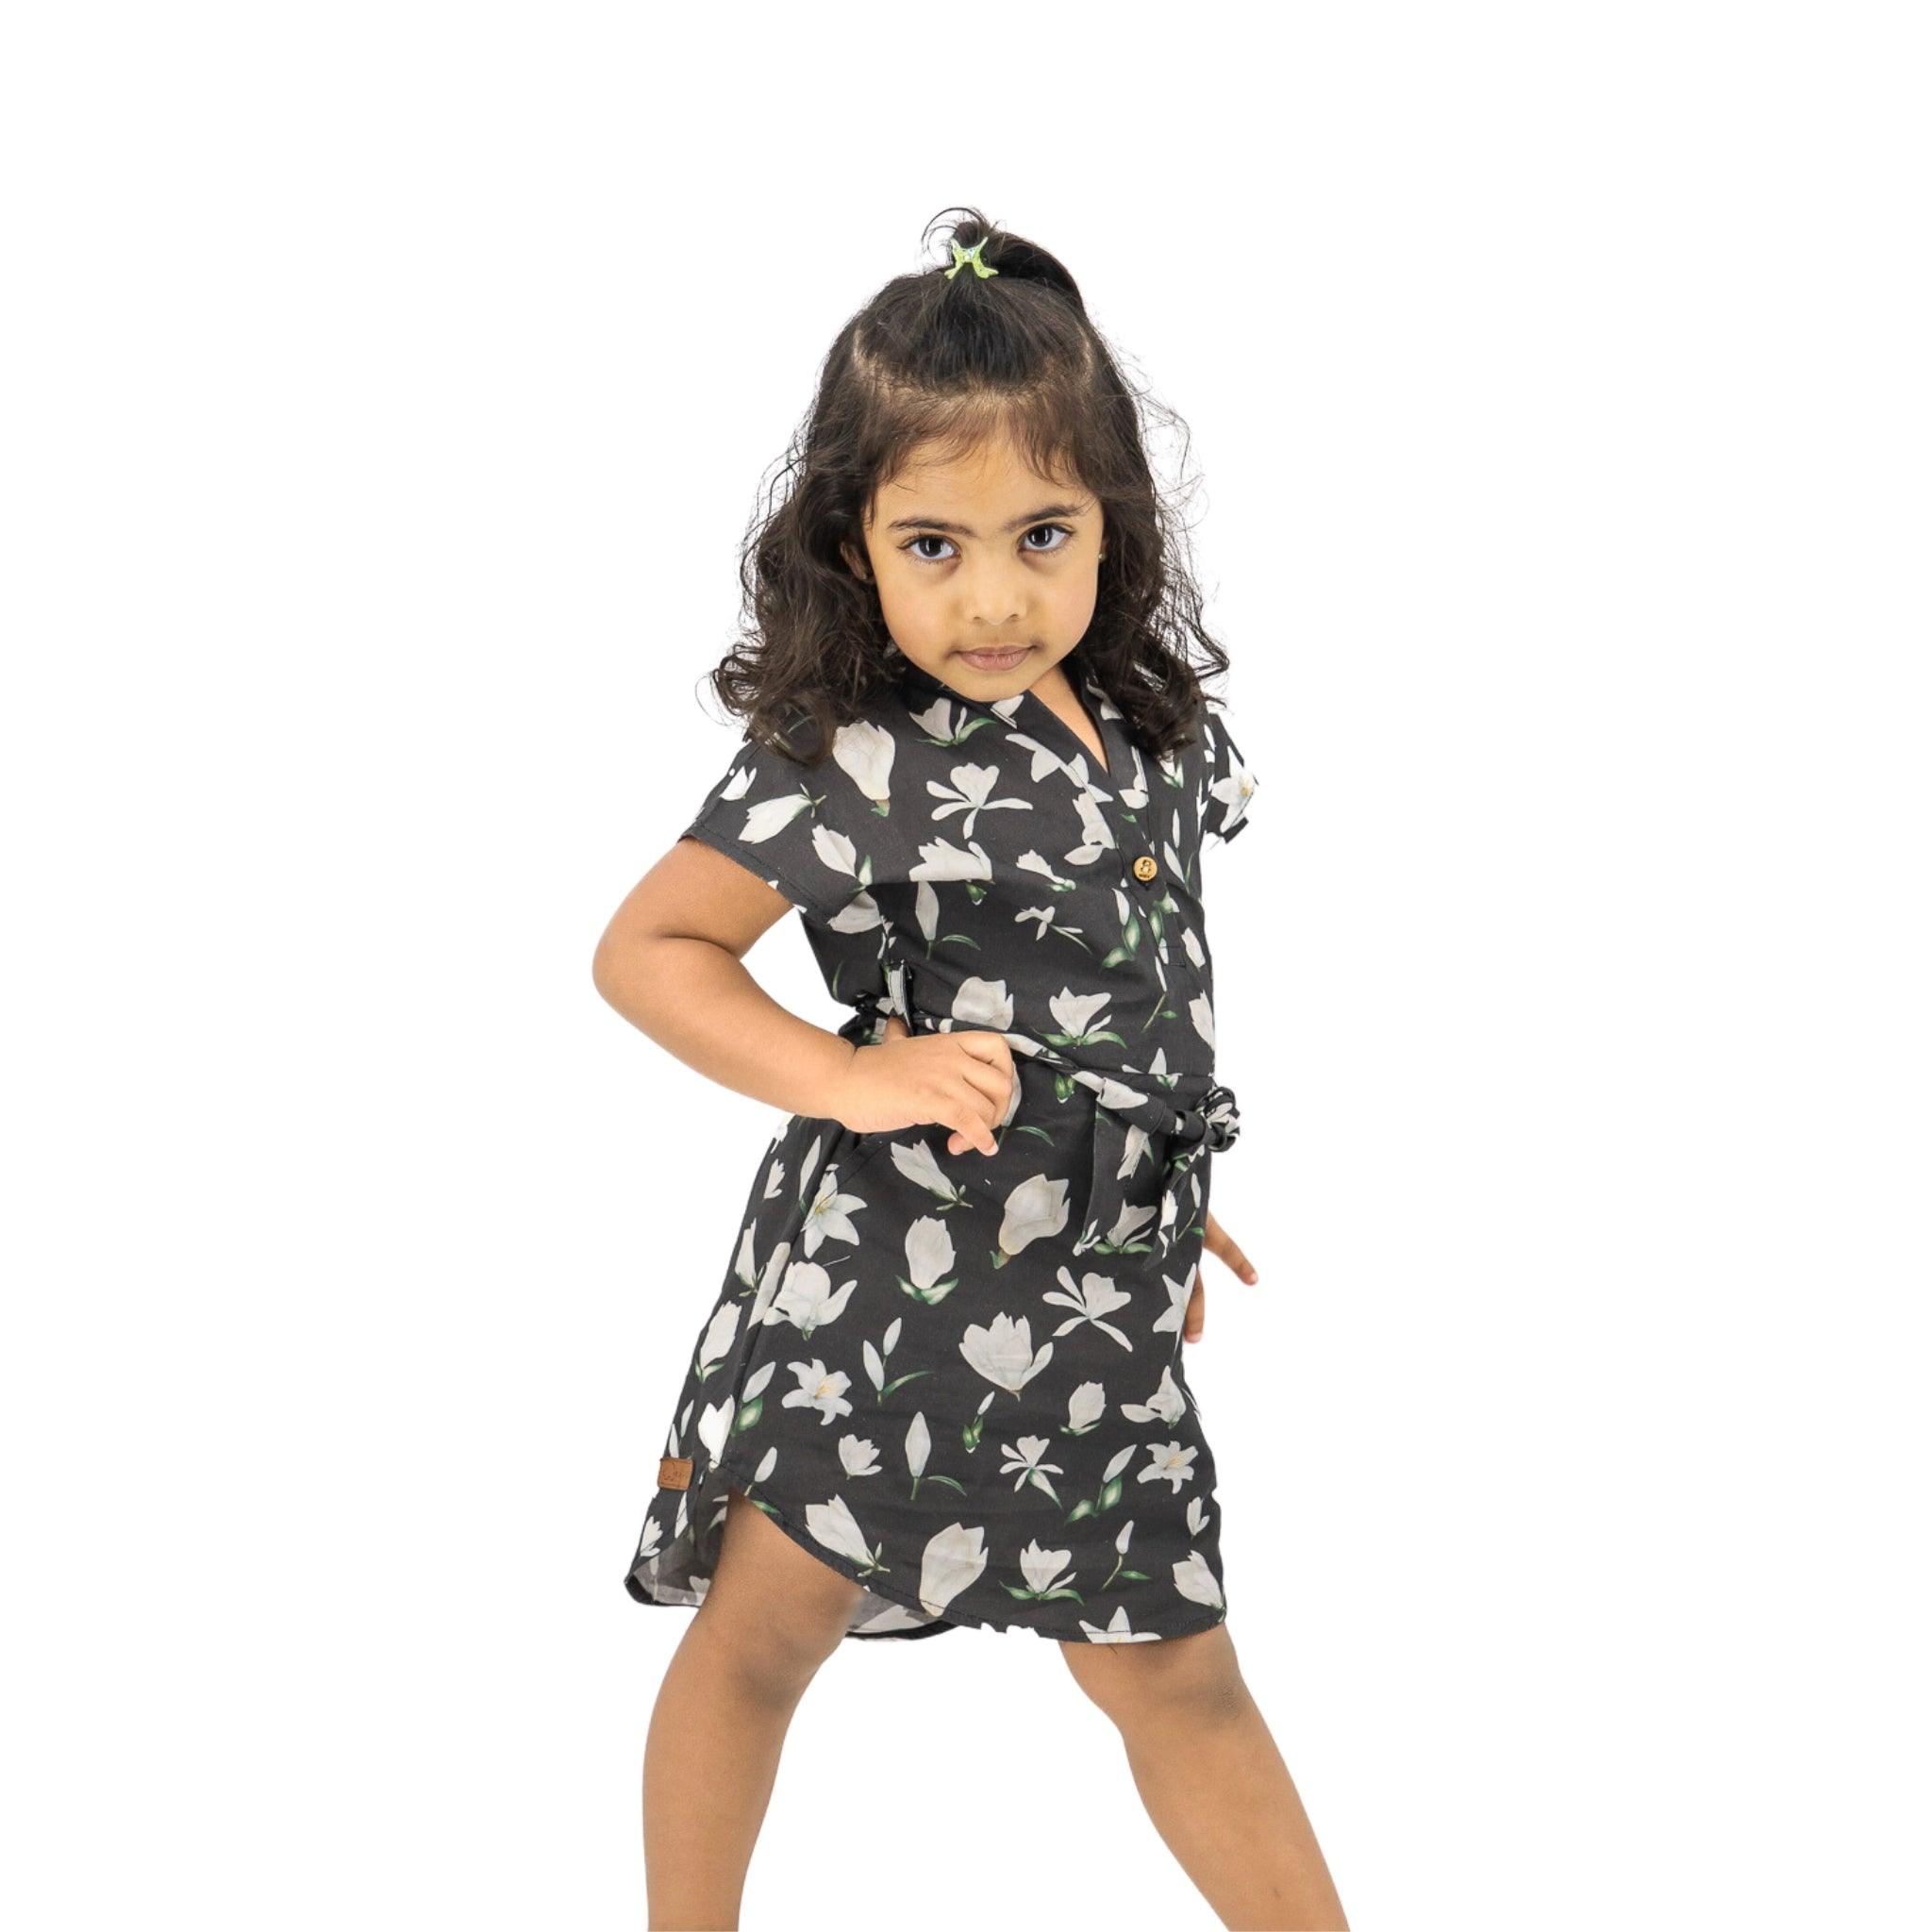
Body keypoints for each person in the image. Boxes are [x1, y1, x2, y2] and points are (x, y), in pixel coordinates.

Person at [592, 207, 1348, 1931]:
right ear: (854, 544)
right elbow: (649, 951)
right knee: (766, 1635)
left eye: (1042, 535)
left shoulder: (1149, 722)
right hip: (896, 1285)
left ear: (1112, 528)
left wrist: (1163, 1182)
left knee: (1173, 1667)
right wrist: (849, 1078)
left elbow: (1135, 990)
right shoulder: (860, 758)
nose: (993, 594)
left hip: (1094, 1286)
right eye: (932, 542)